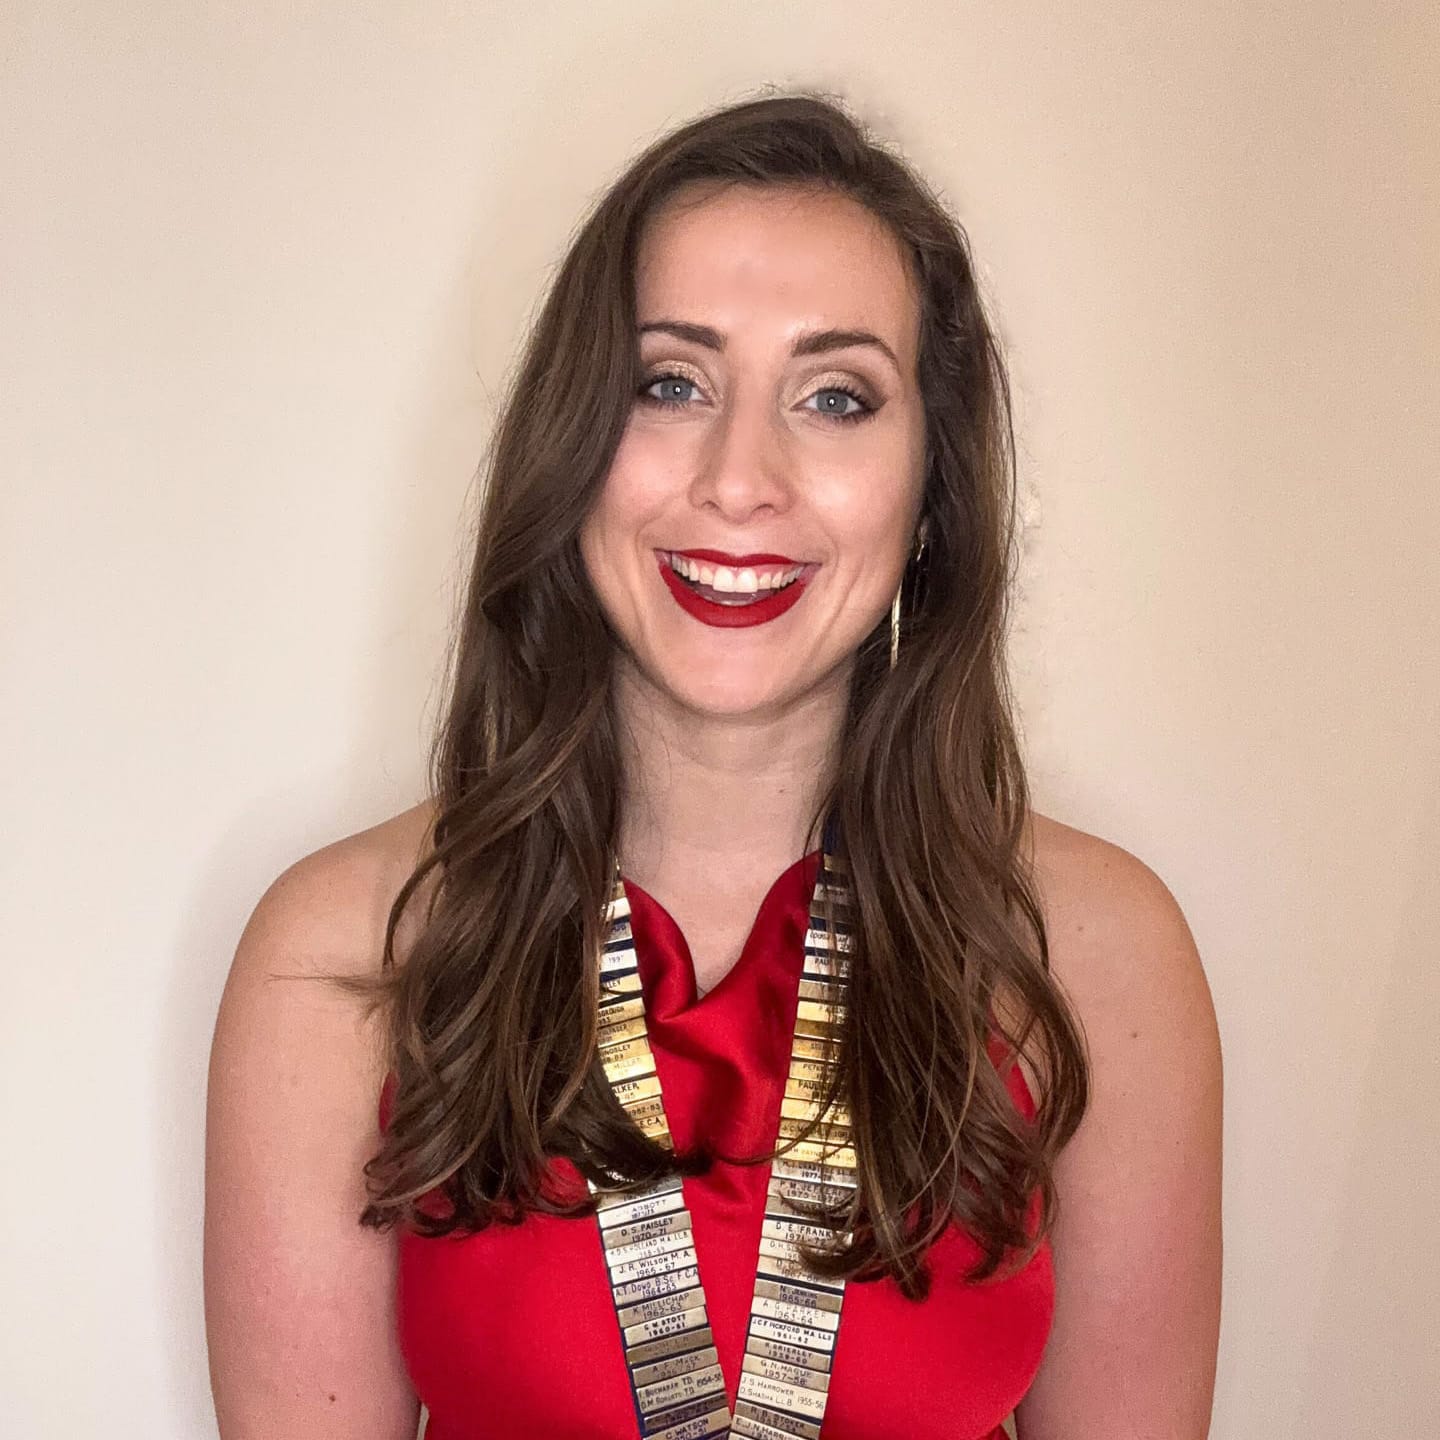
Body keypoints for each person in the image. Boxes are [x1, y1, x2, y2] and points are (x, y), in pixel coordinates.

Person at [205, 92, 1222, 1439]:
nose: (741, 479)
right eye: (671, 384)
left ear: (931, 490)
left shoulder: (1098, 954)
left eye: (836, 397)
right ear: (574, 447)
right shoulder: (344, 954)